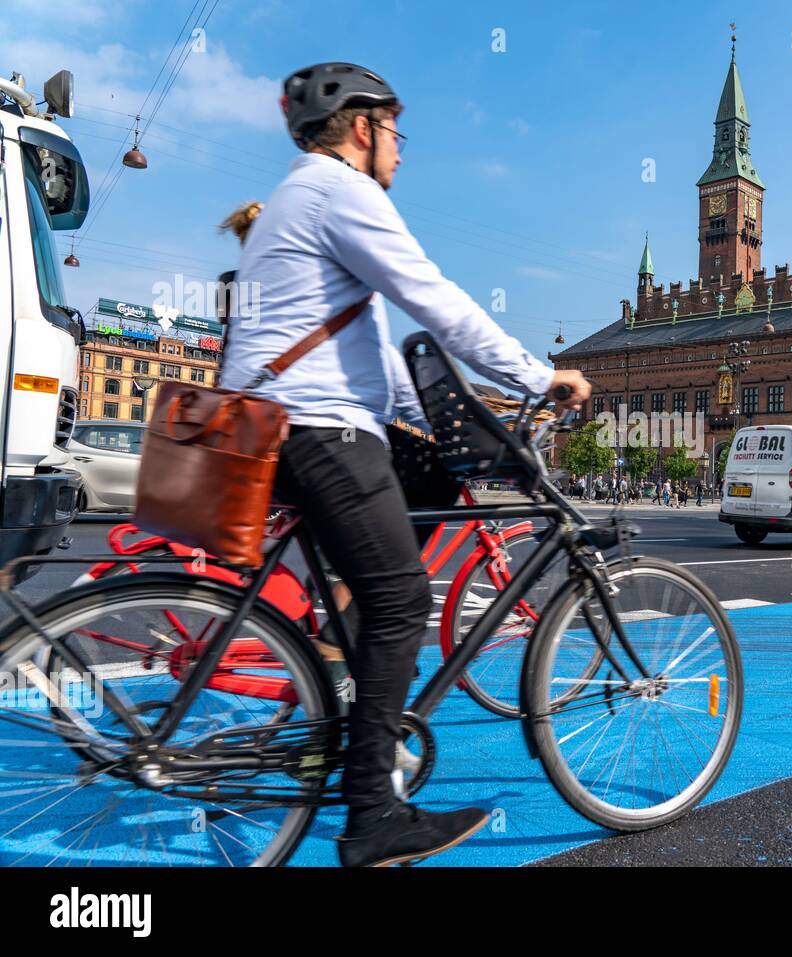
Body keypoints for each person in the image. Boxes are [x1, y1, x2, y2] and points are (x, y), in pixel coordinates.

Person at [220, 62, 590, 867]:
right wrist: (538, 375)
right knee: (403, 599)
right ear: (363, 127)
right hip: (317, 430)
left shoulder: (298, 198)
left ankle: (333, 681)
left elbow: (381, 363)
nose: (400, 150)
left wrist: (454, 424)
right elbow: (437, 298)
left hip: (279, 426)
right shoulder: (339, 192)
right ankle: (373, 812)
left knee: (414, 503)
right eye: (396, 131)